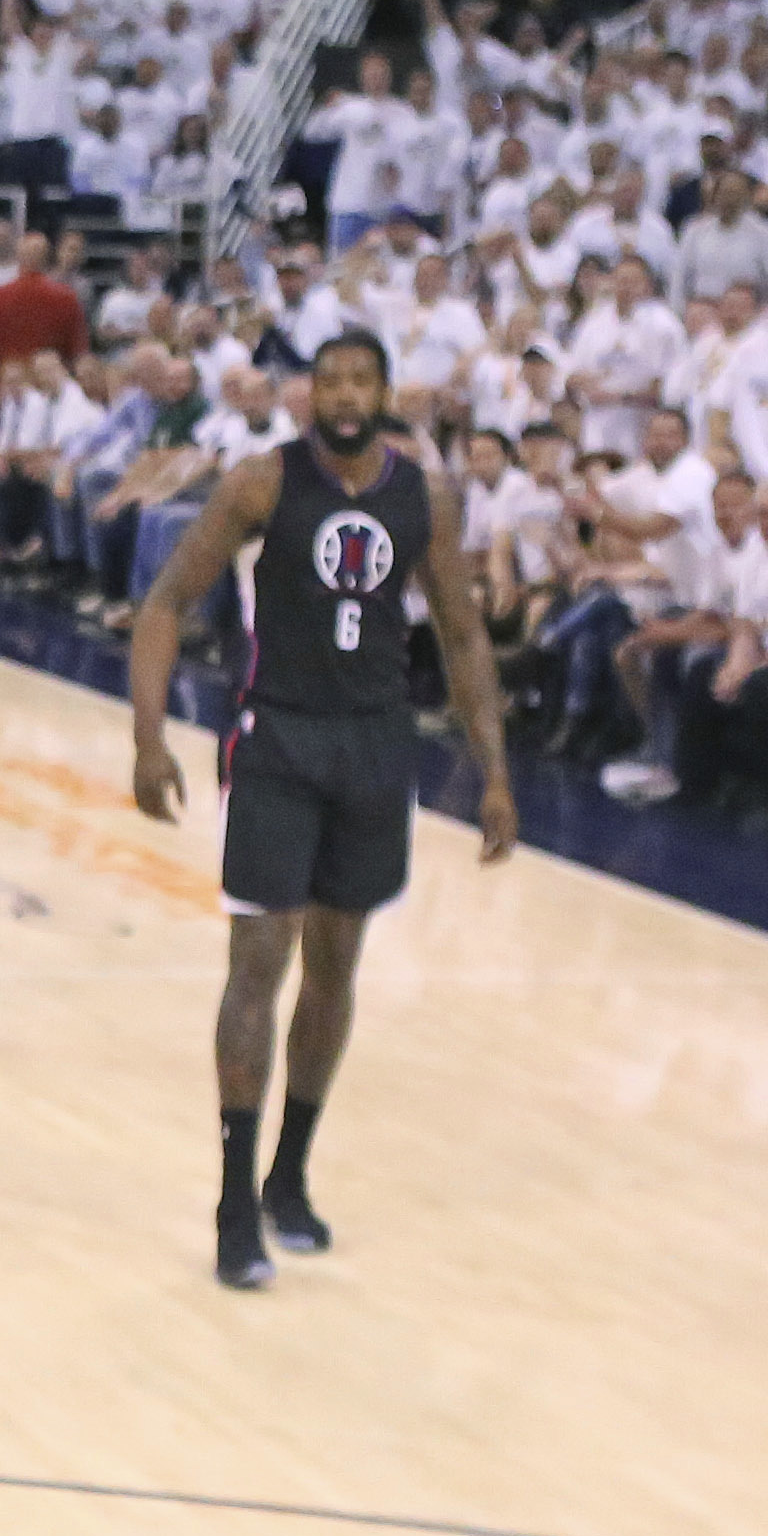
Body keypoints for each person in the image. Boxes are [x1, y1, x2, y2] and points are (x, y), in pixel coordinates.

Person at [125, 331, 515, 1291]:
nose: (345, 394)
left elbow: (463, 636)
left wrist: (494, 771)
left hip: (377, 745)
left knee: (336, 965)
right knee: (258, 958)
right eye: (330, 379)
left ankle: (288, 1177)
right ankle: (231, 1196)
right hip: (279, 738)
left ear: (385, 392)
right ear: (309, 396)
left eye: (361, 379)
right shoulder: (264, 481)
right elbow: (171, 599)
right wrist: (147, 736)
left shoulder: (423, 496)